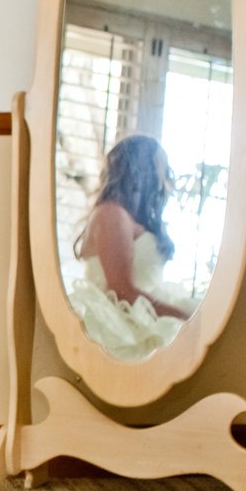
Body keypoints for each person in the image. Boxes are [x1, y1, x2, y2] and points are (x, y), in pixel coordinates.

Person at [67, 133, 196, 359]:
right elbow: (121, 290)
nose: (166, 176)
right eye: (161, 166)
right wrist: (188, 318)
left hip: (140, 313)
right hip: (118, 325)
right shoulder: (111, 214)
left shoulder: (129, 218)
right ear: (143, 169)